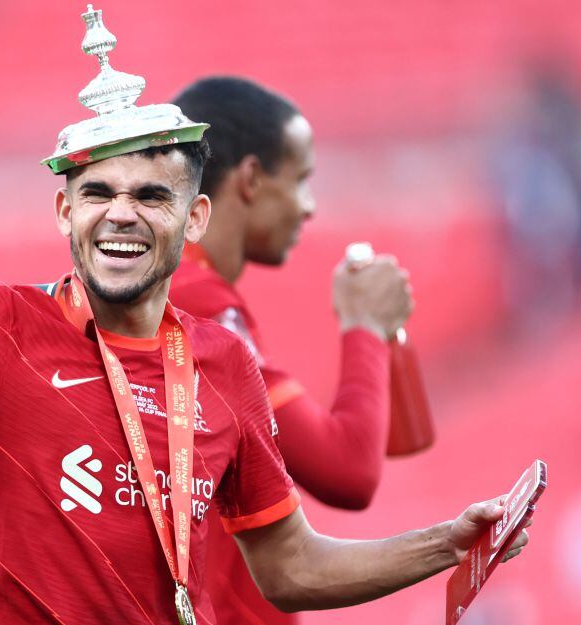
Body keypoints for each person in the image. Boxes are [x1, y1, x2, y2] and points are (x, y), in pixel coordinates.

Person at [0, 7, 528, 624]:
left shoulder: (223, 363)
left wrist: (445, 543)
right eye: (99, 192)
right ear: (63, 210)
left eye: (152, 195)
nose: (122, 215)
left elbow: (290, 565)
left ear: (196, 216)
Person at [169, 76, 413, 624]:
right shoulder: (193, 301)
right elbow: (348, 468)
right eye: (301, 180)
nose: (309, 207)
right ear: (252, 178)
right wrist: (365, 325)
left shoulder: (186, 291)